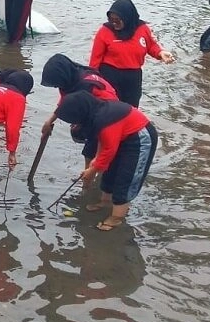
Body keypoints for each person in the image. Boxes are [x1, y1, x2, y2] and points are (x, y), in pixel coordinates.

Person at [54, 91, 159, 231]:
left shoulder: (105, 118)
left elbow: (109, 149)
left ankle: (117, 218)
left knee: (126, 179)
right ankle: (106, 202)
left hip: (140, 138)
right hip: (121, 137)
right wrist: (96, 162)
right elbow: (103, 142)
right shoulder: (95, 115)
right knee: (110, 172)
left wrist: (92, 170)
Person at [89, 0, 175, 107]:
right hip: (110, 76)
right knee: (110, 109)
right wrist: (92, 82)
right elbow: (94, 61)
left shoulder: (142, 28)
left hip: (133, 78)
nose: (114, 23)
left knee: (132, 109)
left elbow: (151, 46)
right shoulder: (104, 31)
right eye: (111, 20)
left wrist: (160, 53)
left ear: (127, 18)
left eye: (117, 20)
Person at [40, 53, 119, 166]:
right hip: (94, 111)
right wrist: (49, 122)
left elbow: (107, 107)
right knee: (89, 145)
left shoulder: (87, 85)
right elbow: (64, 102)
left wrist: (81, 124)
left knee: (90, 150)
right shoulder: (69, 80)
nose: (56, 86)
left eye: (55, 83)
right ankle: (91, 170)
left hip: (109, 114)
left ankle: (89, 174)